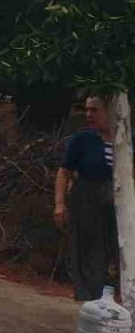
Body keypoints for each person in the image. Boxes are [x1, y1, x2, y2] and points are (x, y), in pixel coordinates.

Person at [54, 95, 121, 301]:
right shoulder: (83, 139)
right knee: (90, 249)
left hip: (120, 201)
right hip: (87, 199)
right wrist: (59, 204)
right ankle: (92, 298)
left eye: (95, 110)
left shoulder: (126, 139)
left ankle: (119, 297)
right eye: (87, 110)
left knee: (119, 249)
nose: (89, 115)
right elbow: (64, 172)